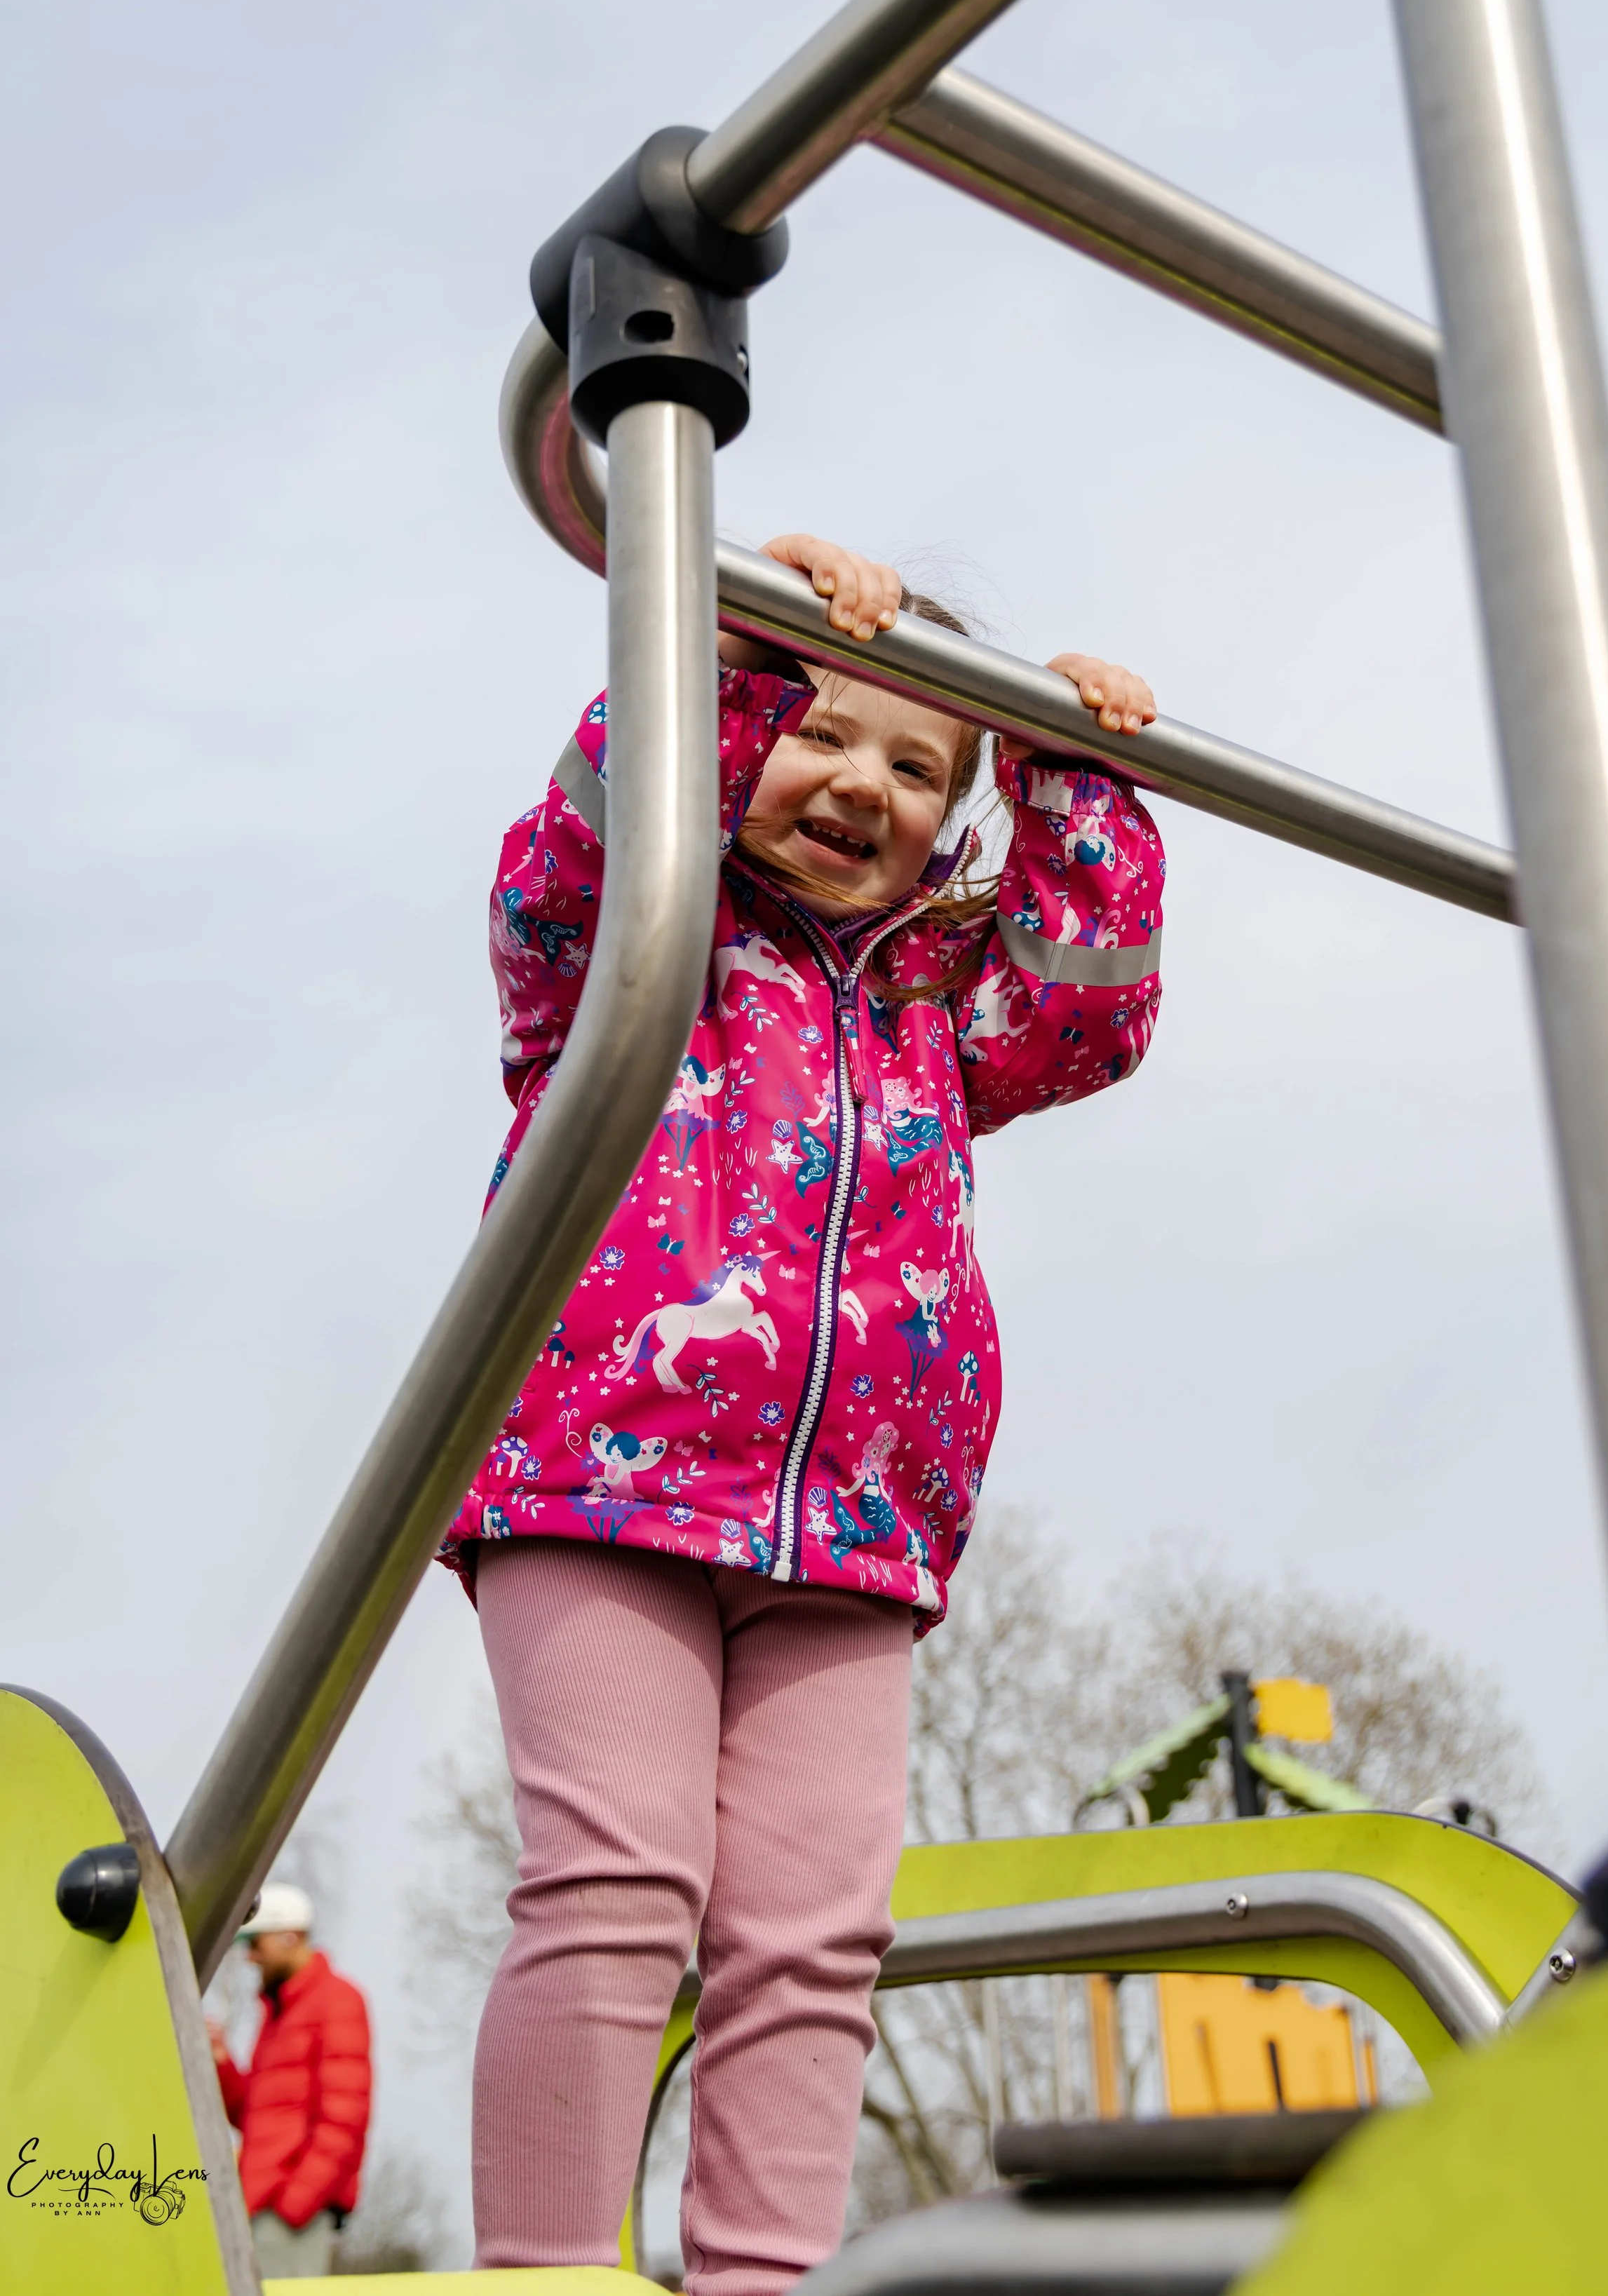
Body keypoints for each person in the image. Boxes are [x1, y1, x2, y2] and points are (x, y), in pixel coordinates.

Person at [444, 532, 1165, 2287]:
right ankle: (545, 2265)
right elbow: (597, 821)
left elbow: (1093, 1010)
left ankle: (763, 2275)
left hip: (850, 1514)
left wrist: (1077, 776)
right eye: (815, 735)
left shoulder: (939, 1005)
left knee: (815, 1936)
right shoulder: (638, 937)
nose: (856, 784)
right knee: (618, 1883)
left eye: (917, 765)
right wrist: (742, 646)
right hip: (598, 1479)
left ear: (952, 815)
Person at [208, 1881, 372, 2280]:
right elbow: (255, 2117)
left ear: (289, 1936)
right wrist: (221, 2061)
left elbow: (345, 2119)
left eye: (256, 1944)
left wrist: (296, 2205)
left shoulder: (337, 2000)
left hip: (289, 2215)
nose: (251, 1958)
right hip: (260, 2208)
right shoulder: (278, 2012)